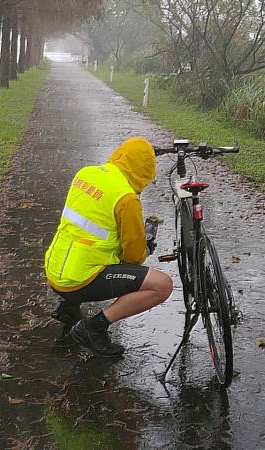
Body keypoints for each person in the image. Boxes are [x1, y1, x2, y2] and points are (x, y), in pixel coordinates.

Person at [44, 137, 174, 357]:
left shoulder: (85, 174)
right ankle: (93, 328)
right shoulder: (126, 197)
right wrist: (146, 248)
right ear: (145, 170)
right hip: (79, 280)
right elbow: (133, 258)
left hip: (55, 271)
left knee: (88, 246)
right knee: (162, 285)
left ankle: (68, 307)